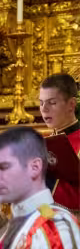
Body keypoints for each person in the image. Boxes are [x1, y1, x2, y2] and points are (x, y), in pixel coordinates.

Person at [38, 73, 79, 213]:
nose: (44, 109)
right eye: (41, 103)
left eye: (52, 102)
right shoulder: (46, 141)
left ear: (71, 105)